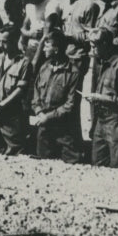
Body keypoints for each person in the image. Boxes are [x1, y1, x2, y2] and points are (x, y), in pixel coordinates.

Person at [29, 29, 83, 163]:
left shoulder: (73, 72)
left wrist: (48, 117)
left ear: (56, 49)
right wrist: (39, 111)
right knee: (43, 164)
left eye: (47, 46)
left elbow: (70, 105)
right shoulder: (44, 67)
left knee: (71, 166)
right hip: (44, 131)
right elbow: (35, 93)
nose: (43, 50)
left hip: (65, 132)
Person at [85, 28, 118, 168]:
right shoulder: (101, 64)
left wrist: (102, 98)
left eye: (94, 46)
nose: (92, 50)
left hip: (117, 123)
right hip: (100, 122)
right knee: (97, 165)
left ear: (105, 44)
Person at [0, 23, 31, 155]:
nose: (0, 45)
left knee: (15, 153)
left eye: (4, 42)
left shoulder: (24, 63)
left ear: (15, 41)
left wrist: (3, 104)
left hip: (12, 117)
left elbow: (21, 89)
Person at [53, 0, 99, 77]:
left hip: (79, 57)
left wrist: (70, 37)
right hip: (63, 56)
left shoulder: (90, 4)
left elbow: (93, 35)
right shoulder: (63, 4)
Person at [16, 0, 54, 72]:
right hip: (31, 48)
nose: (23, 1)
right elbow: (23, 27)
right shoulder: (30, 5)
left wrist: (35, 60)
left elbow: (45, 36)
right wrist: (23, 39)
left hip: (44, 51)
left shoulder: (51, 6)